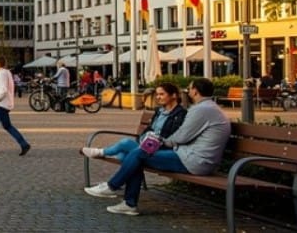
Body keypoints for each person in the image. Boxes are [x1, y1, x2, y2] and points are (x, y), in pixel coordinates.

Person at [85, 77, 230, 216]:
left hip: (195, 161)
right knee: (136, 155)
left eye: (190, 88)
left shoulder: (201, 110)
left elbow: (182, 136)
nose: (189, 91)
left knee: (136, 155)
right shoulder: (209, 108)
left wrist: (161, 141)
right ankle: (127, 203)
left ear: (195, 91)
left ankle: (114, 189)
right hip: (194, 157)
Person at [81, 82, 186, 159]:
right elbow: (149, 128)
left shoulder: (180, 114)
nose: (158, 97)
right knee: (123, 155)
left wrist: (155, 139)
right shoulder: (159, 111)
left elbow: (172, 136)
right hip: (146, 144)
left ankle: (101, 152)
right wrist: (144, 138)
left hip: (160, 148)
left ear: (174, 95)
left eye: (162, 94)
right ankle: (124, 184)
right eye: (157, 94)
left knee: (125, 143)